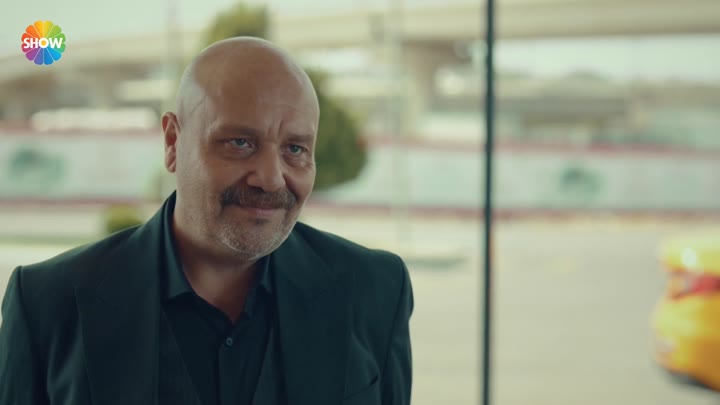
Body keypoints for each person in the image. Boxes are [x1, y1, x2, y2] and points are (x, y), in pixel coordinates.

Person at [0, 37, 413, 405]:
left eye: (295, 149)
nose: (271, 178)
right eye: (240, 142)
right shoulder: (47, 305)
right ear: (172, 142)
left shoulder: (376, 291)